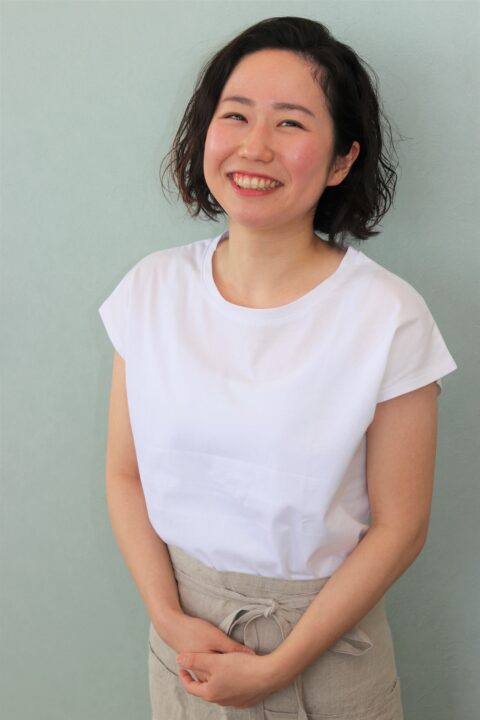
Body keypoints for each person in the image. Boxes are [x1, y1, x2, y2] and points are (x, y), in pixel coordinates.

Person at [98, 16, 458, 720]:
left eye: (291, 123)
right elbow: (124, 475)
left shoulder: (389, 315)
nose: (255, 146)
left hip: (330, 654)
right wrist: (169, 620)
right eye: (235, 115)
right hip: (187, 646)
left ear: (342, 160)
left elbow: (401, 528)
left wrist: (278, 668)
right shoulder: (150, 291)